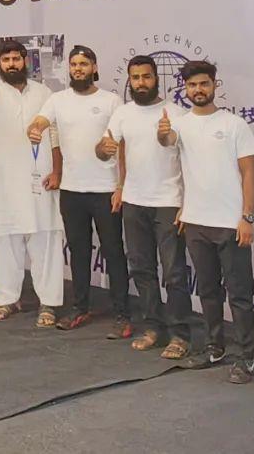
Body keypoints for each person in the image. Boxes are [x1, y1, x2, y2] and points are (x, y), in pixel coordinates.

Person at [158, 60, 254, 384]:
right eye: (192, 85)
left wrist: (247, 217)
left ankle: (246, 358)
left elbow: (249, 174)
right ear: (185, 89)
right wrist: (162, 134)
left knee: (239, 295)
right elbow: (168, 141)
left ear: (215, 85)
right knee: (208, 291)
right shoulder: (181, 124)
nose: (198, 90)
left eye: (204, 84)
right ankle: (215, 348)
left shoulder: (234, 125)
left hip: (230, 224)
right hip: (195, 223)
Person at [27, 45, 131, 337]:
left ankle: (122, 314)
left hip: (105, 190)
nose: (78, 69)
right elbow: (40, 122)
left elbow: (121, 147)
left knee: (113, 252)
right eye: (74, 64)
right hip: (72, 191)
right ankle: (80, 307)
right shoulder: (57, 100)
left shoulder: (111, 101)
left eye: (84, 64)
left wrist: (121, 186)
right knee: (78, 252)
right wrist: (34, 129)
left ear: (94, 68)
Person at [97, 55, 192, 359]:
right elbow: (107, 151)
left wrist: (186, 204)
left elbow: (190, 163)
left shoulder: (176, 114)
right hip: (134, 202)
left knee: (174, 273)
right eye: (135, 77)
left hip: (168, 203)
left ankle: (180, 334)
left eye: (146, 76)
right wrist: (104, 151)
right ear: (130, 80)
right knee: (141, 269)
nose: (141, 82)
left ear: (156, 78)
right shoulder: (122, 114)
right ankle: (153, 327)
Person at [0, 40, 64, 327]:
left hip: (41, 179)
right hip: (6, 182)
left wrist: (57, 170)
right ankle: (8, 299)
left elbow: (54, 133)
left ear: (25, 60)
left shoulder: (44, 93)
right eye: (6, 60)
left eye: (16, 59)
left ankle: (49, 303)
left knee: (45, 240)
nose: (11, 64)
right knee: (6, 241)